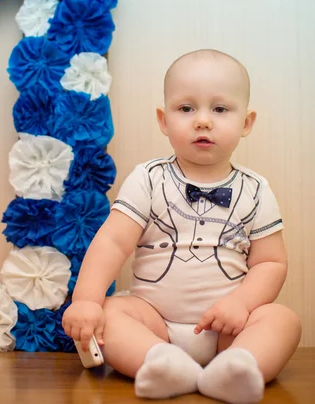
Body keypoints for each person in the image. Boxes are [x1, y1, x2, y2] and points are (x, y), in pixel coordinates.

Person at [62, 49, 301, 403]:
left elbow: (270, 263)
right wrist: (86, 301)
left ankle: (239, 365)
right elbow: (112, 243)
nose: (202, 121)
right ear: (163, 119)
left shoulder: (256, 190)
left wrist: (241, 303)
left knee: (283, 320)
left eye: (219, 109)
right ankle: (161, 362)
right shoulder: (148, 179)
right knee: (112, 313)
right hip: (155, 324)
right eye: (186, 109)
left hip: (228, 330)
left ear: (246, 123)